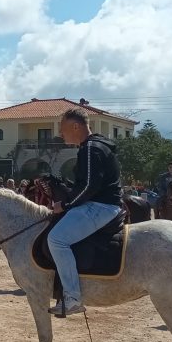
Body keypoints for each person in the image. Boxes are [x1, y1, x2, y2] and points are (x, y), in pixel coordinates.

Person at [46, 107, 123, 317]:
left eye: (63, 129)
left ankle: (72, 298)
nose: (61, 134)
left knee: (56, 240)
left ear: (75, 126)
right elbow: (86, 184)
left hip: (100, 206)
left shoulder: (90, 149)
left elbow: (89, 186)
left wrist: (65, 205)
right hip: (106, 204)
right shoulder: (96, 146)